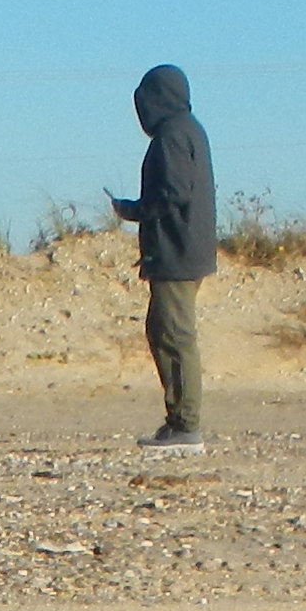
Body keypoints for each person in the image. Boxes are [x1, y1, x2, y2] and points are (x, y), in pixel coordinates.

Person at [112, 62, 217, 452]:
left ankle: (185, 426)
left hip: (178, 251)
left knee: (174, 336)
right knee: (164, 331)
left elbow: (173, 192)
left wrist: (134, 211)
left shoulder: (172, 135)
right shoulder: (189, 131)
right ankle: (179, 423)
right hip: (183, 250)